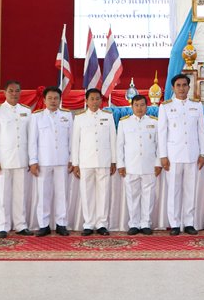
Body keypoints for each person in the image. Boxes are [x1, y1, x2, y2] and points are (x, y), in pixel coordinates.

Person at [157, 73, 204, 236]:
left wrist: (203, 153)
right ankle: (175, 223)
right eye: (178, 85)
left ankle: (189, 222)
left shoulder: (197, 105)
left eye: (184, 85)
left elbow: (201, 130)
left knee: (190, 190)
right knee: (173, 191)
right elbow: (162, 132)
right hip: (173, 155)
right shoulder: (165, 106)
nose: (181, 88)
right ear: (173, 88)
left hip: (192, 154)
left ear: (189, 87)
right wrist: (163, 155)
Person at [0, 80, 33, 238]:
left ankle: (21, 225)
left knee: (21, 194)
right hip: (3, 160)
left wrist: (31, 159)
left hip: (21, 158)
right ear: (4, 93)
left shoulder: (26, 111)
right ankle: (3, 226)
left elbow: (30, 137)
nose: (14, 93)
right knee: (3, 194)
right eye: (11, 90)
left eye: (17, 90)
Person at [71, 88, 117, 236]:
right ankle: (89, 223)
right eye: (92, 99)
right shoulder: (80, 118)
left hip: (104, 160)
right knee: (87, 193)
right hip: (86, 161)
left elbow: (113, 139)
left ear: (101, 100)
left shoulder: (107, 116)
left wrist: (114, 161)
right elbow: (75, 142)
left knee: (104, 193)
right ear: (86, 100)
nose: (95, 102)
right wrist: (75, 163)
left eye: (97, 99)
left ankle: (102, 223)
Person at [28, 86, 73, 236]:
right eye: (50, 98)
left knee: (62, 193)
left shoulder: (67, 115)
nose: (53, 101)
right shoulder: (37, 117)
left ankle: (61, 224)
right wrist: (33, 161)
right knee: (43, 194)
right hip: (43, 161)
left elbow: (72, 139)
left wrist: (72, 159)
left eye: (56, 98)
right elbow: (32, 141)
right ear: (44, 100)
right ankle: (43, 224)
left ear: (60, 100)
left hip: (62, 160)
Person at [116, 95, 161, 235]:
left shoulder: (154, 122)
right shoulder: (124, 122)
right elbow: (119, 145)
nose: (139, 108)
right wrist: (120, 164)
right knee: (132, 195)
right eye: (136, 105)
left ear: (147, 106)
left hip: (149, 165)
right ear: (132, 106)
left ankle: (146, 223)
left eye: (142, 105)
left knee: (149, 196)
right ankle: (134, 223)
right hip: (131, 165)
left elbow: (159, 145)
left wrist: (158, 163)